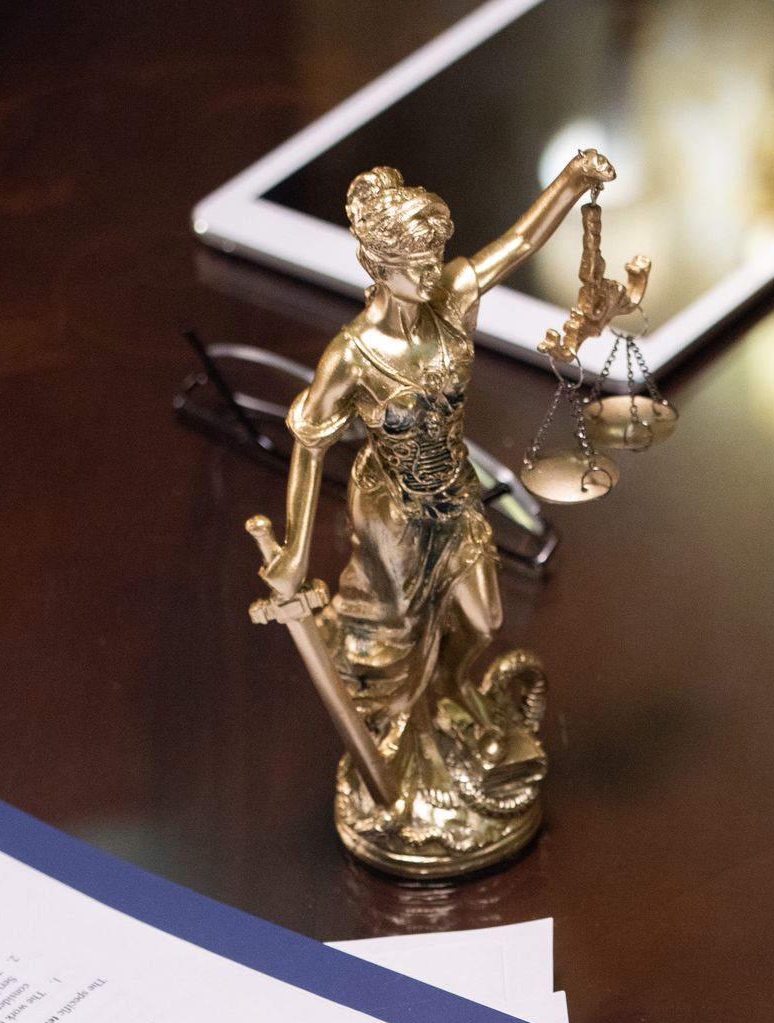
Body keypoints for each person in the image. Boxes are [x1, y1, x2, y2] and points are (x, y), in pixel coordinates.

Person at [253, 147, 614, 874]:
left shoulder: (452, 300)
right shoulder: (351, 356)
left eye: (432, 259)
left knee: (482, 617)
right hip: (390, 513)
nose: (428, 273)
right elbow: (307, 439)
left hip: (453, 493)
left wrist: (572, 185)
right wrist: (294, 549)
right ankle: (411, 731)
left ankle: (444, 690)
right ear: (375, 265)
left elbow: (516, 243)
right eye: (412, 264)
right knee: (398, 632)